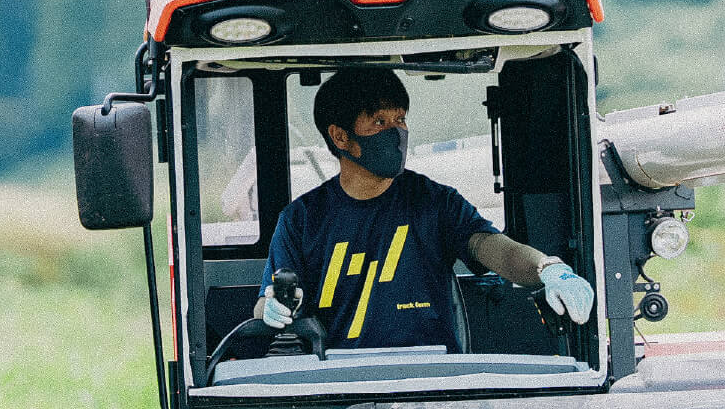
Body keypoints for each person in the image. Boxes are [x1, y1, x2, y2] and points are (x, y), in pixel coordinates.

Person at [255, 66, 595, 351]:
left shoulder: (434, 201)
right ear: (340, 136)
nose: (396, 132)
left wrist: (548, 268)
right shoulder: (301, 219)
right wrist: (270, 307)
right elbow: (267, 301)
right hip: (338, 382)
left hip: (433, 378)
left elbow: (491, 247)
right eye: (379, 122)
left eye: (400, 119)